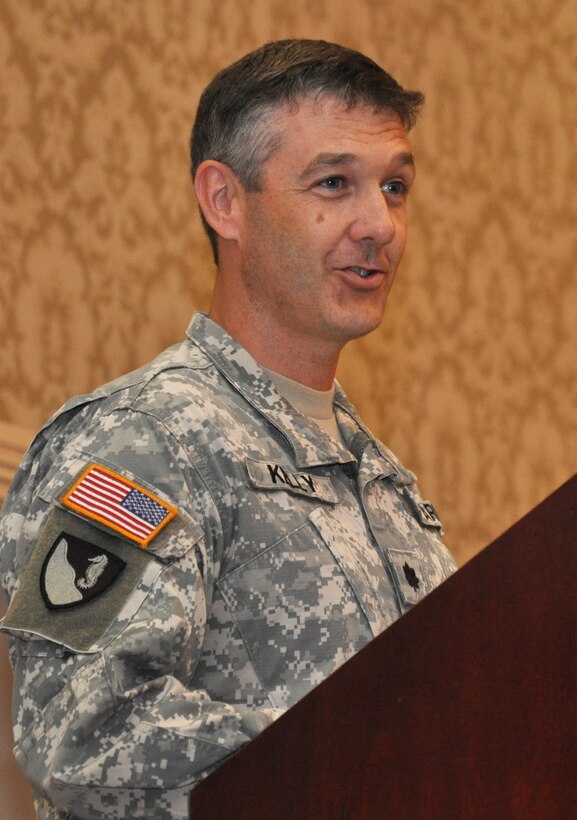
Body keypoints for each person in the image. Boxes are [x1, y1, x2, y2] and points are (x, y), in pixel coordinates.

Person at [0, 39, 456, 820]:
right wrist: (370, 765)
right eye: (334, 183)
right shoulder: (137, 443)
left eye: (394, 186)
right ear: (224, 201)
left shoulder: (385, 486)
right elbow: (78, 731)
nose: (379, 223)